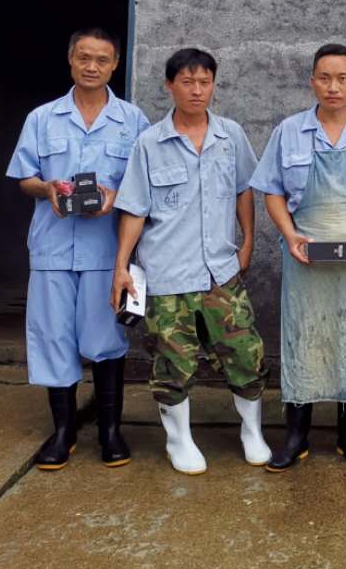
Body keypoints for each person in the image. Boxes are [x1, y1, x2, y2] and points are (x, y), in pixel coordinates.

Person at [110, 48, 267, 475]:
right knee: (173, 361)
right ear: (170, 86)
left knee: (245, 353)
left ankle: (252, 432)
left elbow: (244, 189)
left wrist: (248, 241)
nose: (197, 90)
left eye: (204, 82)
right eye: (187, 82)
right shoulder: (149, 144)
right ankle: (179, 440)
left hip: (221, 271)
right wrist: (121, 267)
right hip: (167, 273)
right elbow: (134, 209)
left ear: (213, 85)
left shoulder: (231, 136)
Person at [7, 28, 151, 470]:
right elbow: (24, 176)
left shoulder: (133, 121)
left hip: (106, 250)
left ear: (115, 64)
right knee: (53, 336)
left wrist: (115, 196)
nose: (92, 67)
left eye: (102, 60)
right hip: (52, 247)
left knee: (106, 338)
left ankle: (110, 431)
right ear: (70, 60)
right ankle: (63, 432)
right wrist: (47, 188)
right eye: (84, 57)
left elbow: (145, 183)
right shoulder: (42, 118)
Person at [250, 43, 346, 472]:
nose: (334, 87)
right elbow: (272, 191)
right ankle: (296, 435)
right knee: (304, 339)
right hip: (306, 254)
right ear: (312, 81)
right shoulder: (288, 132)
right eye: (325, 78)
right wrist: (290, 234)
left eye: (342, 79)